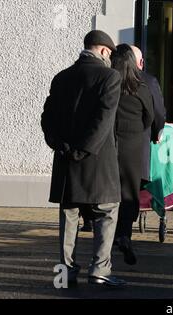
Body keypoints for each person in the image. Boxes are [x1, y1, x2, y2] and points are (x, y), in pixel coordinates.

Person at [41, 30, 126, 286]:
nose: (110, 58)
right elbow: (103, 120)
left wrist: (60, 145)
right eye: (109, 54)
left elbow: (47, 118)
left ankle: (65, 273)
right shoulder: (110, 77)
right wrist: (82, 150)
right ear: (103, 51)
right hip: (97, 162)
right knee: (106, 213)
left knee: (69, 216)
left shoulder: (62, 77)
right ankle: (100, 269)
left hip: (66, 159)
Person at [111, 44, 155, 265]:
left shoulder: (108, 85)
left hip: (110, 145)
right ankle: (124, 235)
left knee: (109, 192)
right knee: (129, 193)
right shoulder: (142, 87)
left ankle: (108, 235)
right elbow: (150, 118)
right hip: (133, 146)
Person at [130, 46, 166, 181]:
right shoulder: (148, 80)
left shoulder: (112, 77)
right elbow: (158, 110)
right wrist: (158, 132)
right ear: (141, 62)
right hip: (141, 141)